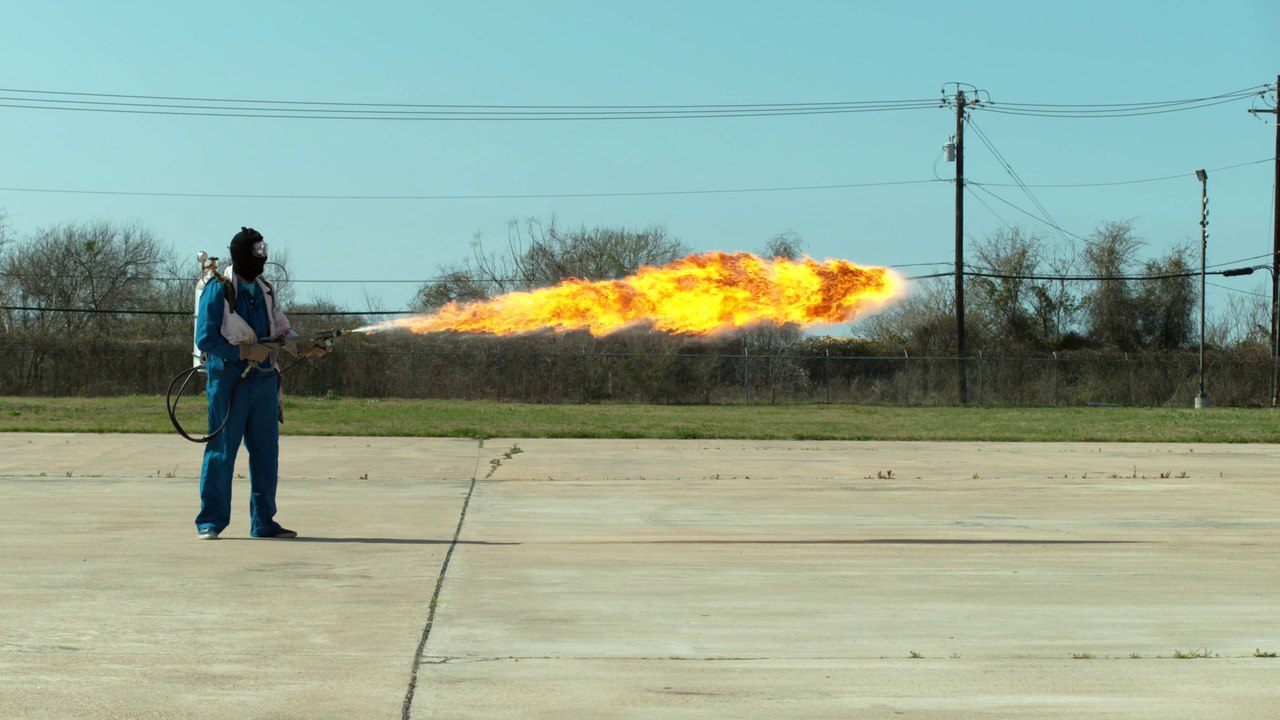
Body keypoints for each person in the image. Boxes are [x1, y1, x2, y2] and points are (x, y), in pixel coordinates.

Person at [193, 227, 329, 540]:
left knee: (267, 453)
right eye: (256, 253)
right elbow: (205, 339)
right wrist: (241, 351)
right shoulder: (219, 289)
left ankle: (264, 521)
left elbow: (281, 328)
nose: (261, 260)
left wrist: (303, 345)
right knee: (222, 452)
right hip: (229, 382)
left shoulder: (265, 290)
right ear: (242, 256)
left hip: (265, 380)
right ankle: (210, 521)